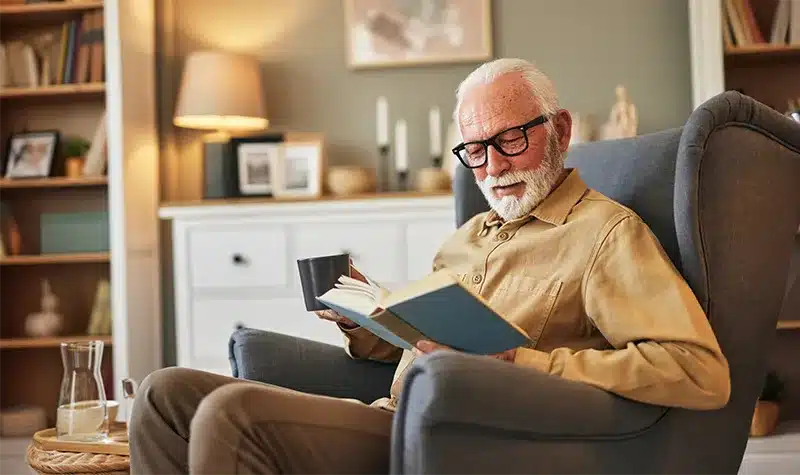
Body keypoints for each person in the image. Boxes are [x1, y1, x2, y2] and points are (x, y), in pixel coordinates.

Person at [129, 58, 731, 475]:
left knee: (232, 413)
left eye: (511, 140)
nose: (492, 166)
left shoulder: (604, 234)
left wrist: (523, 362)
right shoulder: (468, 238)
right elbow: (426, 345)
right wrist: (366, 322)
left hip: (462, 437)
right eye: (475, 149)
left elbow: (699, 370)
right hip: (388, 414)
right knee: (164, 394)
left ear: (560, 130)